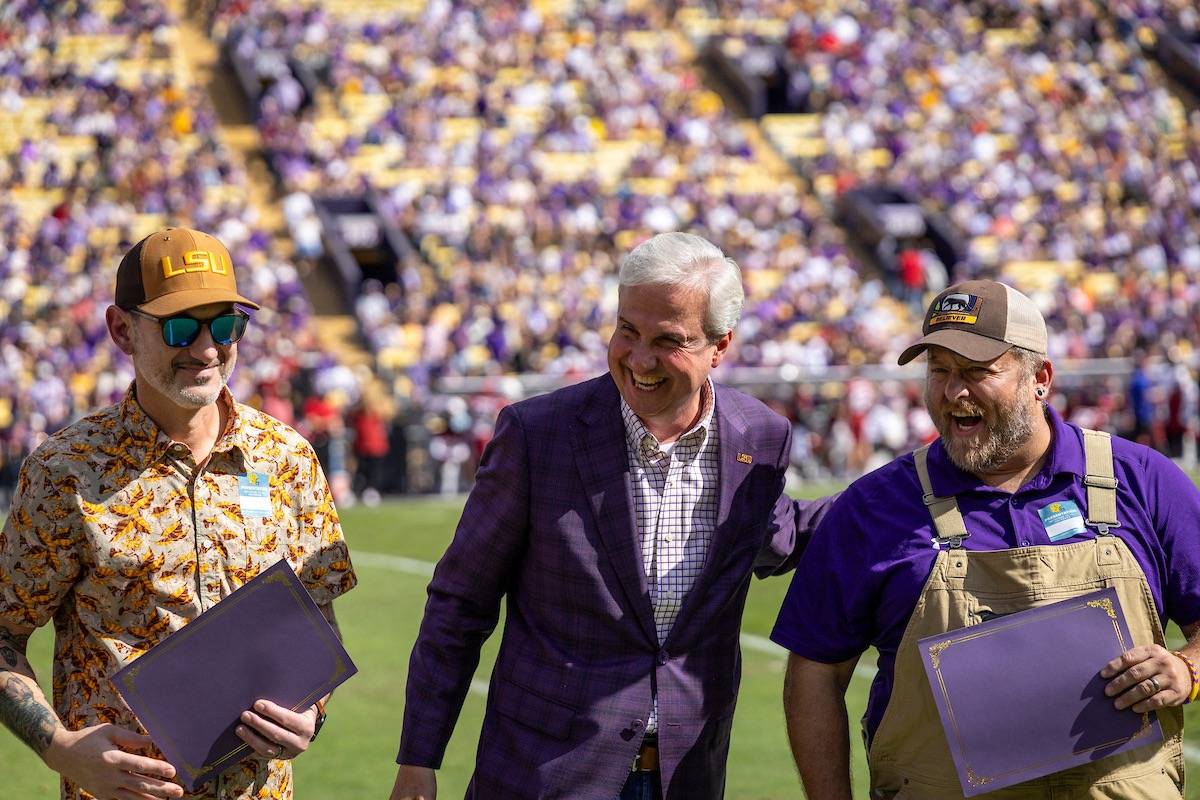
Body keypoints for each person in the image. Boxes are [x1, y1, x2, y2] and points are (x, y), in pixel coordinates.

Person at [389, 232, 835, 800]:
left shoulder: (761, 437)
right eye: (627, 330)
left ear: (719, 346)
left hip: (686, 776)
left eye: (667, 341)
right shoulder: (538, 434)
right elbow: (460, 602)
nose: (639, 359)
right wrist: (418, 759)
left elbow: (775, 534)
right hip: (541, 774)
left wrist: (913, 491)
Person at [773, 280, 1200, 799]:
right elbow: (814, 673)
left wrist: (1186, 668)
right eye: (940, 372)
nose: (955, 393)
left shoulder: (1143, 479)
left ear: (1039, 378)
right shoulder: (873, 507)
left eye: (978, 372)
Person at [0, 228, 357, 800]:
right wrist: (59, 747)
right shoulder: (65, 470)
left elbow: (314, 618)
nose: (207, 348)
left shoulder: (286, 457)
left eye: (226, 324)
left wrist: (312, 711)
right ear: (122, 330)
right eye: (180, 326)